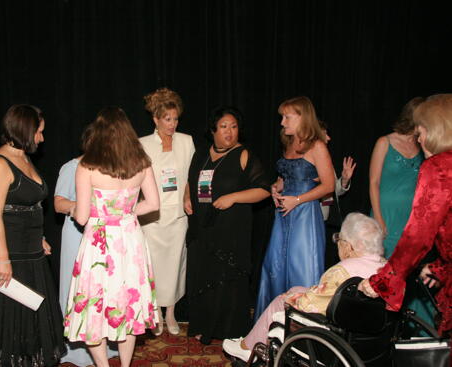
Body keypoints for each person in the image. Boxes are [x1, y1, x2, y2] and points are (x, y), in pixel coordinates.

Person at [63, 107, 160, 367]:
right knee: (127, 307)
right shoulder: (142, 163)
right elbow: (153, 204)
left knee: (93, 307)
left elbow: (82, 217)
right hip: (130, 241)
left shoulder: (87, 166)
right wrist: (126, 213)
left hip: (100, 244)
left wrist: (73, 208)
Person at [223, 213, 386, 362]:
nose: (338, 245)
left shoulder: (342, 271)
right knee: (297, 289)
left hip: (336, 336)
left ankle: (247, 347)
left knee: (282, 301)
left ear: (349, 247)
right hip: (372, 339)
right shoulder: (387, 269)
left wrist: (288, 298)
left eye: (340, 240)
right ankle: (250, 341)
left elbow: (306, 304)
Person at [359, 94, 452, 338]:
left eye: (421, 131)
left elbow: (416, 240)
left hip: (409, 229)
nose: (419, 138)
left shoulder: (439, 168)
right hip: (391, 217)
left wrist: (382, 282)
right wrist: (440, 268)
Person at [0, 104, 65, 366]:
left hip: (31, 250)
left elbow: (25, 206)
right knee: (13, 318)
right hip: (11, 255)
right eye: (39, 132)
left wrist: (38, 237)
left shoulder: (24, 157)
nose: (41, 138)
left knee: (34, 316)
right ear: (25, 130)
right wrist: (3, 260)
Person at [186, 106, 271, 345]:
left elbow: (263, 189)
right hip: (202, 226)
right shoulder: (201, 154)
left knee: (227, 277)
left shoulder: (243, 155)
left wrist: (233, 197)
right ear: (213, 130)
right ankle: (204, 325)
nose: (229, 132)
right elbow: (190, 179)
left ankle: (228, 329)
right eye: (224, 127)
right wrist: (186, 197)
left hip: (231, 229)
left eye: (234, 127)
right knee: (203, 275)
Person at [255, 96, 335, 320]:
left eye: (287, 117)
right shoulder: (290, 143)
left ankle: (302, 329)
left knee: (301, 268)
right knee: (275, 266)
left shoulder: (317, 146)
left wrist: (297, 199)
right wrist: (276, 187)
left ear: (302, 117)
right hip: (283, 214)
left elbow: (328, 186)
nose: (282, 122)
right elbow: (287, 176)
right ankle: (272, 326)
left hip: (304, 215)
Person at [54, 126, 118, 365]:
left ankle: (107, 346)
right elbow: (58, 202)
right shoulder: (71, 167)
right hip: (77, 237)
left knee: (103, 293)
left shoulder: (108, 171)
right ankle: (76, 349)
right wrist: (76, 207)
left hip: (104, 239)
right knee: (78, 293)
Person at [139, 87, 195, 336]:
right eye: (167, 119)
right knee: (152, 266)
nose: (172, 124)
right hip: (151, 218)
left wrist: (187, 196)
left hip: (177, 217)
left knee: (174, 265)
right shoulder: (142, 144)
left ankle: (170, 312)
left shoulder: (186, 141)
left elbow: (190, 176)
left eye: (175, 119)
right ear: (156, 119)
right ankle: (154, 313)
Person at [369, 97, 425, 257]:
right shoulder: (385, 142)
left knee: (403, 266)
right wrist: (378, 218)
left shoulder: (423, 146)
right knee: (380, 264)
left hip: (410, 216)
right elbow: (374, 182)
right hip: (385, 212)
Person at [318, 122, 357, 268]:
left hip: (325, 220)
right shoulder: (307, 160)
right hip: (310, 218)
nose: (328, 138)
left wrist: (345, 180)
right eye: (325, 134)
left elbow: (333, 190)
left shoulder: (324, 159)